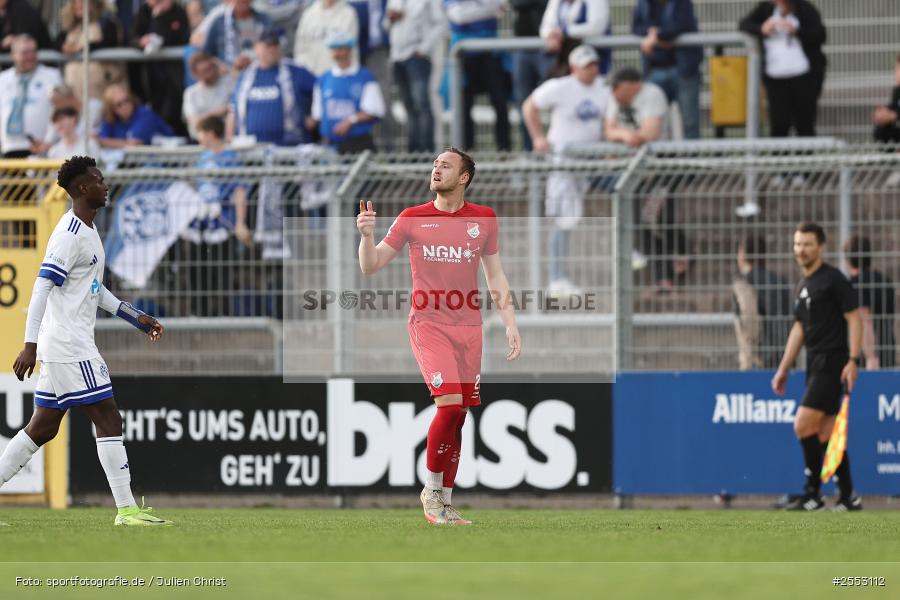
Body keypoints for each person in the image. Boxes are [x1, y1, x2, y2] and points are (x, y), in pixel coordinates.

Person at [356, 147, 521, 525]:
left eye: (445, 165)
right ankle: (431, 493)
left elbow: (494, 275)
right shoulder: (413, 218)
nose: (436, 169)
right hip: (429, 323)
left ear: (464, 177)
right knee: (448, 406)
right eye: (434, 164)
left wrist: (510, 322)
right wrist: (367, 236)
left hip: (469, 327)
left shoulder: (484, 219)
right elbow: (371, 265)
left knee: (459, 415)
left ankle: (446, 502)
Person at [6, 156, 172, 527]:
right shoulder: (69, 236)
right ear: (83, 188)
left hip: (63, 345)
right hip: (69, 346)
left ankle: (127, 511)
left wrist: (137, 318)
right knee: (108, 417)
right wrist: (28, 345)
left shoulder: (89, 231)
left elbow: (95, 291)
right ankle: (127, 511)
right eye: (98, 180)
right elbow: (41, 287)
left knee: (42, 428)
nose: (105, 185)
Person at [771, 222, 862, 512]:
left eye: (807, 244)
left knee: (802, 424)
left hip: (832, 361)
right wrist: (784, 368)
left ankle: (812, 494)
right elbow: (799, 329)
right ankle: (848, 496)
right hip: (814, 363)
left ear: (821, 246)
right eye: (797, 244)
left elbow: (855, 318)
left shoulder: (833, 280)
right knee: (825, 433)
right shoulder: (802, 285)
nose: (801, 250)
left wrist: (853, 360)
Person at [522, 45, 608, 295]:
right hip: (564, 160)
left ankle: (636, 249)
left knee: (623, 189)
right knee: (564, 216)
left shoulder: (603, 87)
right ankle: (557, 278)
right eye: (586, 66)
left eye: (594, 65)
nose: (592, 70)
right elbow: (530, 106)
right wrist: (538, 137)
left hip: (594, 159)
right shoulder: (560, 87)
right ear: (574, 68)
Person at [605, 68, 687, 289]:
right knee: (636, 221)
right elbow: (609, 130)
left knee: (660, 217)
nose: (612, 93)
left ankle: (681, 253)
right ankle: (664, 272)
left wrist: (627, 136)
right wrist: (626, 135)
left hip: (663, 168)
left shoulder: (652, 94)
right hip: (636, 170)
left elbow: (649, 133)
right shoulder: (616, 99)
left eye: (616, 87)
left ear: (633, 85)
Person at [182, 115, 249, 316]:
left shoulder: (230, 158)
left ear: (211, 133)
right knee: (196, 269)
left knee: (221, 273)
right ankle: (199, 314)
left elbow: (239, 190)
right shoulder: (201, 157)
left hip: (222, 224)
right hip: (199, 225)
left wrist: (240, 223)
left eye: (200, 132)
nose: (198, 137)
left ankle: (222, 315)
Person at [740, 0, 827, 138]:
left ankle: (806, 156)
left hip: (803, 76)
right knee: (779, 123)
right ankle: (779, 157)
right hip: (775, 76)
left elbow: (820, 35)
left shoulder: (804, 8)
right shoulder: (765, 9)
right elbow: (744, 24)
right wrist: (762, 28)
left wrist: (795, 31)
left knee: (804, 123)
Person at [228, 28, 316, 145]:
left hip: (289, 148)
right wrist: (229, 140)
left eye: (275, 45)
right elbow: (233, 111)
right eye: (268, 46)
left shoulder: (296, 72)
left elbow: (322, 89)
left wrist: (315, 116)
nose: (272, 50)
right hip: (250, 149)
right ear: (257, 48)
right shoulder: (245, 77)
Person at [445, 0, 511, 151]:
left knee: (500, 100)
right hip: (462, 56)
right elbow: (458, 16)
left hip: (490, 52)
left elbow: (500, 6)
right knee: (463, 104)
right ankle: (465, 151)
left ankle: (504, 150)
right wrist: (484, 7)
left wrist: (472, 7)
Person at [632, 0, 703, 140]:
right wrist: (654, 35)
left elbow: (679, 26)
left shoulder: (682, 3)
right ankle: (658, 160)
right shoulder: (643, 3)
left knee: (690, 122)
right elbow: (636, 28)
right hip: (654, 69)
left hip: (684, 70)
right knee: (653, 120)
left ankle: (694, 160)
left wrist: (655, 37)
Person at [384, 0, 446, 153]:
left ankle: (426, 152)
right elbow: (385, 26)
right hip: (397, 58)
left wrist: (423, 48)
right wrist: (390, 18)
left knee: (421, 104)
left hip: (417, 57)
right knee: (409, 107)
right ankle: (413, 152)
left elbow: (441, 24)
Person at [310, 34, 385, 153]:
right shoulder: (323, 79)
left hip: (357, 144)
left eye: (341, 49)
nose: (337, 53)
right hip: (330, 145)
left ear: (349, 50)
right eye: (334, 49)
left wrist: (350, 121)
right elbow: (317, 115)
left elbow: (374, 111)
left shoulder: (365, 77)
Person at [132, 0, 191, 137]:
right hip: (150, 76)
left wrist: (159, 17)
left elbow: (178, 37)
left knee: (171, 115)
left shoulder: (178, 11)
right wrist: (141, 42)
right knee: (156, 113)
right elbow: (132, 38)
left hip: (174, 76)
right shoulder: (144, 11)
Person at [733, 235, 791, 370]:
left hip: (758, 358)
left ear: (742, 255)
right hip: (784, 353)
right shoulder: (779, 281)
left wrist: (751, 357)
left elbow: (749, 321)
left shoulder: (742, 283)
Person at [0, 35, 62, 157]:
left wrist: (49, 141)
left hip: (41, 149)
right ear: (14, 54)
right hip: (8, 148)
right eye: (25, 52)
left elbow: (62, 110)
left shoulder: (52, 76)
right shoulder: (2, 79)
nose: (30, 56)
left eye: (33, 51)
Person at [55, 0, 124, 103]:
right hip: (74, 89)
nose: (79, 5)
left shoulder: (106, 22)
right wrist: (64, 46)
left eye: (83, 2)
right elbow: (57, 42)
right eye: (76, 2)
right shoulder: (72, 27)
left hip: (100, 88)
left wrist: (83, 48)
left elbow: (110, 42)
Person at [844, 235, 895, 369]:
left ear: (848, 259)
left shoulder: (855, 284)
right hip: (888, 347)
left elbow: (865, 320)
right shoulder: (885, 280)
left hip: (867, 356)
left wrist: (871, 356)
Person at [510, 0, 550, 151]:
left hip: (547, 49)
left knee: (555, 99)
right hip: (522, 47)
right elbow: (516, 4)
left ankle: (553, 148)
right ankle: (530, 149)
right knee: (523, 102)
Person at [539, 0, 610, 79]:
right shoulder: (556, 2)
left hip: (591, 56)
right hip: (564, 61)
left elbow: (596, 28)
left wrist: (564, 32)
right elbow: (546, 27)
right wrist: (551, 35)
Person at [293, 0, 359, 76]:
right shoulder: (308, 14)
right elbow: (300, 50)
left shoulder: (348, 13)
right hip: (312, 77)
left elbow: (351, 50)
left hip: (339, 77)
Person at [203, 0, 271, 73]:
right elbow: (207, 53)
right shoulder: (219, 22)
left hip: (261, 68)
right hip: (229, 72)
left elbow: (273, 45)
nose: (242, 1)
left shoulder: (264, 20)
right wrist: (220, 66)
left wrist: (252, 58)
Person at [98, 83, 174, 148]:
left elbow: (135, 144)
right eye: (119, 104)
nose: (125, 105)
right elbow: (101, 140)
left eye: (127, 100)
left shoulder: (145, 114)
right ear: (112, 109)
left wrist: (107, 142)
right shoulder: (111, 119)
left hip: (167, 159)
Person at [183, 50, 235, 140]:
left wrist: (227, 69)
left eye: (211, 68)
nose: (210, 73)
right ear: (195, 74)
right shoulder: (191, 93)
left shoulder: (230, 83)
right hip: (200, 142)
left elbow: (235, 108)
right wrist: (221, 111)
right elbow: (195, 121)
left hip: (226, 139)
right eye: (205, 70)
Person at [872, 53, 900, 146]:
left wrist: (893, 115)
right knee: (881, 130)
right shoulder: (897, 91)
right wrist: (884, 113)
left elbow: (895, 113)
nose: (897, 73)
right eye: (896, 69)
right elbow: (894, 106)